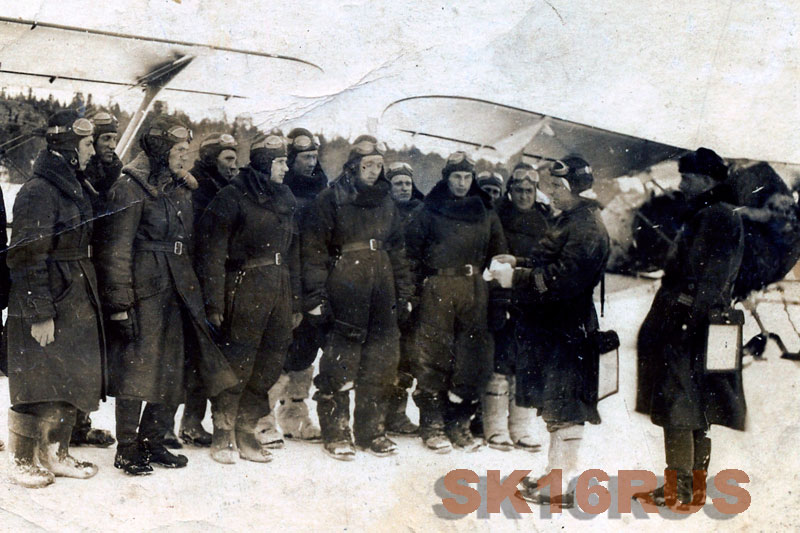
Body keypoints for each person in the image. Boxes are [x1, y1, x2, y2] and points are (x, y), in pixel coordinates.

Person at [95, 117, 237, 476]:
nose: (184, 157)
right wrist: (119, 303)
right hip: (145, 287)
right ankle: (128, 447)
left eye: (187, 150)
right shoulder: (129, 187)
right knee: (136, 366)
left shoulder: (179, 187)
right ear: (160, 151)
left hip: (180, 285)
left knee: (176, 365)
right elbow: (115, 250)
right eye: (179, 150)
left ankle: (153, 441)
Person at [490, 158, 610, 508]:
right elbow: (550, 264)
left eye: (557, 187)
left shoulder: (587, 227)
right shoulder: (573, 218)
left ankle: (563, 483)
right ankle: (555, 473)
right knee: (556, 405)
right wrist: (519, 263)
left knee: (566, 406)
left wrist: (516, 278)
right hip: (554, 327)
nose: (550, 192)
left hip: (568, 328)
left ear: (576, 189)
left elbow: (563, 279)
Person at [634, 148, 746, 507]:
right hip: (699, 320)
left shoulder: (716, 216)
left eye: (687, 177)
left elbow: (711, 278)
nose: (681, 184)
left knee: (678, 403)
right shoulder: (714, 213)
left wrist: (686, 322)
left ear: (707, 180)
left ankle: (679, 488)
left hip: (689, 322)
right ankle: (693, 487)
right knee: (695, 402)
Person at [5, 110, 104, 488]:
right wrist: (39, 313)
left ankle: (55, 453)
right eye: (88, 144)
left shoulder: (71, 184)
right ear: (69, 147)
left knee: (68, 376)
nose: (93, 151)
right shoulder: (38, 191)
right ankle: (21, 459)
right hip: (47, 295)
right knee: (35, 381)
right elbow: (26, 256)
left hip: (73, 292)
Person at [303, 135, 413, 460]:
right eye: (367, 165)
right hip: (345, 285)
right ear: (353, 167)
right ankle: (336, 431)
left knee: (381, 360)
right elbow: (314, 251)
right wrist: (315, 296)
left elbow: (398, 251)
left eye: (378, 165)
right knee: (341, 359)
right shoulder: (330, 199)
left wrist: (404, 293)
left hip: (383, 286)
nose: (374, 171)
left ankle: (372, 431)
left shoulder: (386, 201)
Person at [196, 132, 302, 464]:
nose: (286, 168)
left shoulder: (286, 197)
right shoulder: (233, 196)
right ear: (264, 163)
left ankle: (245, 429)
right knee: (238, 362)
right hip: (245, 285)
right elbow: (211, 252)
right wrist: (214, 302)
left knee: (270, 363)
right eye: (280, 162)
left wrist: (296, 301)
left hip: (280, 286)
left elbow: (294, 253)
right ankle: (223, 432)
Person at [406, 151, 507, 454]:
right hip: (438, 287)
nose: (462, 183)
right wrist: (412, 294)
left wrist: (499, 300)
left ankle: (459, 422)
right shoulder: (428, 209)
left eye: (466, 177)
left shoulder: (485, 210)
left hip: (475, 288)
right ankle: (432, 424)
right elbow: (410, 254)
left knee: (472, 357)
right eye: (456, 177)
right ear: (446, 178)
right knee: (434, 355)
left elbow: (499, 257)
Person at [170, 132, 239, 449]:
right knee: (187, 355)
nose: (234, 165)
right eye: (228, 159)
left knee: (208, 353)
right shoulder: (196, 189)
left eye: (236, 158)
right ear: (212, 159)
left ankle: (192, 421)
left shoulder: (230, 189)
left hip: (217, 280)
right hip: (193, 280)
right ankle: (170, 425)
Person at [263, 128, 326, 446]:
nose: (311, 163)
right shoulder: (277, 189)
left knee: (305, 349)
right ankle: (262, 418)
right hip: (284, 276)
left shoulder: (322, 189)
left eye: (314, 156)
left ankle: (294, 414)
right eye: (304, 157)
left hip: (314, 278)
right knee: (277, 350)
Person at [482, 162, 550, 452]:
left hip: (533, 301)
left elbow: (549, 262)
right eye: (519, 190)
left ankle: (521, 427)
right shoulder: (498, 216)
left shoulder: (544, 222)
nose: (524, 195)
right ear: (510, 191)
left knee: (527, 365)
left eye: (529, 190)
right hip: (502, 297)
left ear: (536, 192)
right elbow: (491, 257)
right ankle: (494, 426)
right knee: (500, 362)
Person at [68, 110, 120, 449]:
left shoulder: (112, 174)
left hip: (100, 267)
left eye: (114, 139)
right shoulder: (79, 177)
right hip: (80, 268)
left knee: (94, 352)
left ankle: (82, 420)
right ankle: (71, 424)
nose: (111, 145)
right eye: (105, 139)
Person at [386, 161, 425, 435]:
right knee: (389, 354)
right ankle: (384, 415)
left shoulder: (422, 212)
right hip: (388, 288)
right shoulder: (382, 212)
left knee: (411, 354)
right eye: (398, 183)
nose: (404, 188)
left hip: (417, 290)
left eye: (407, 183)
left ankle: (398, 415)